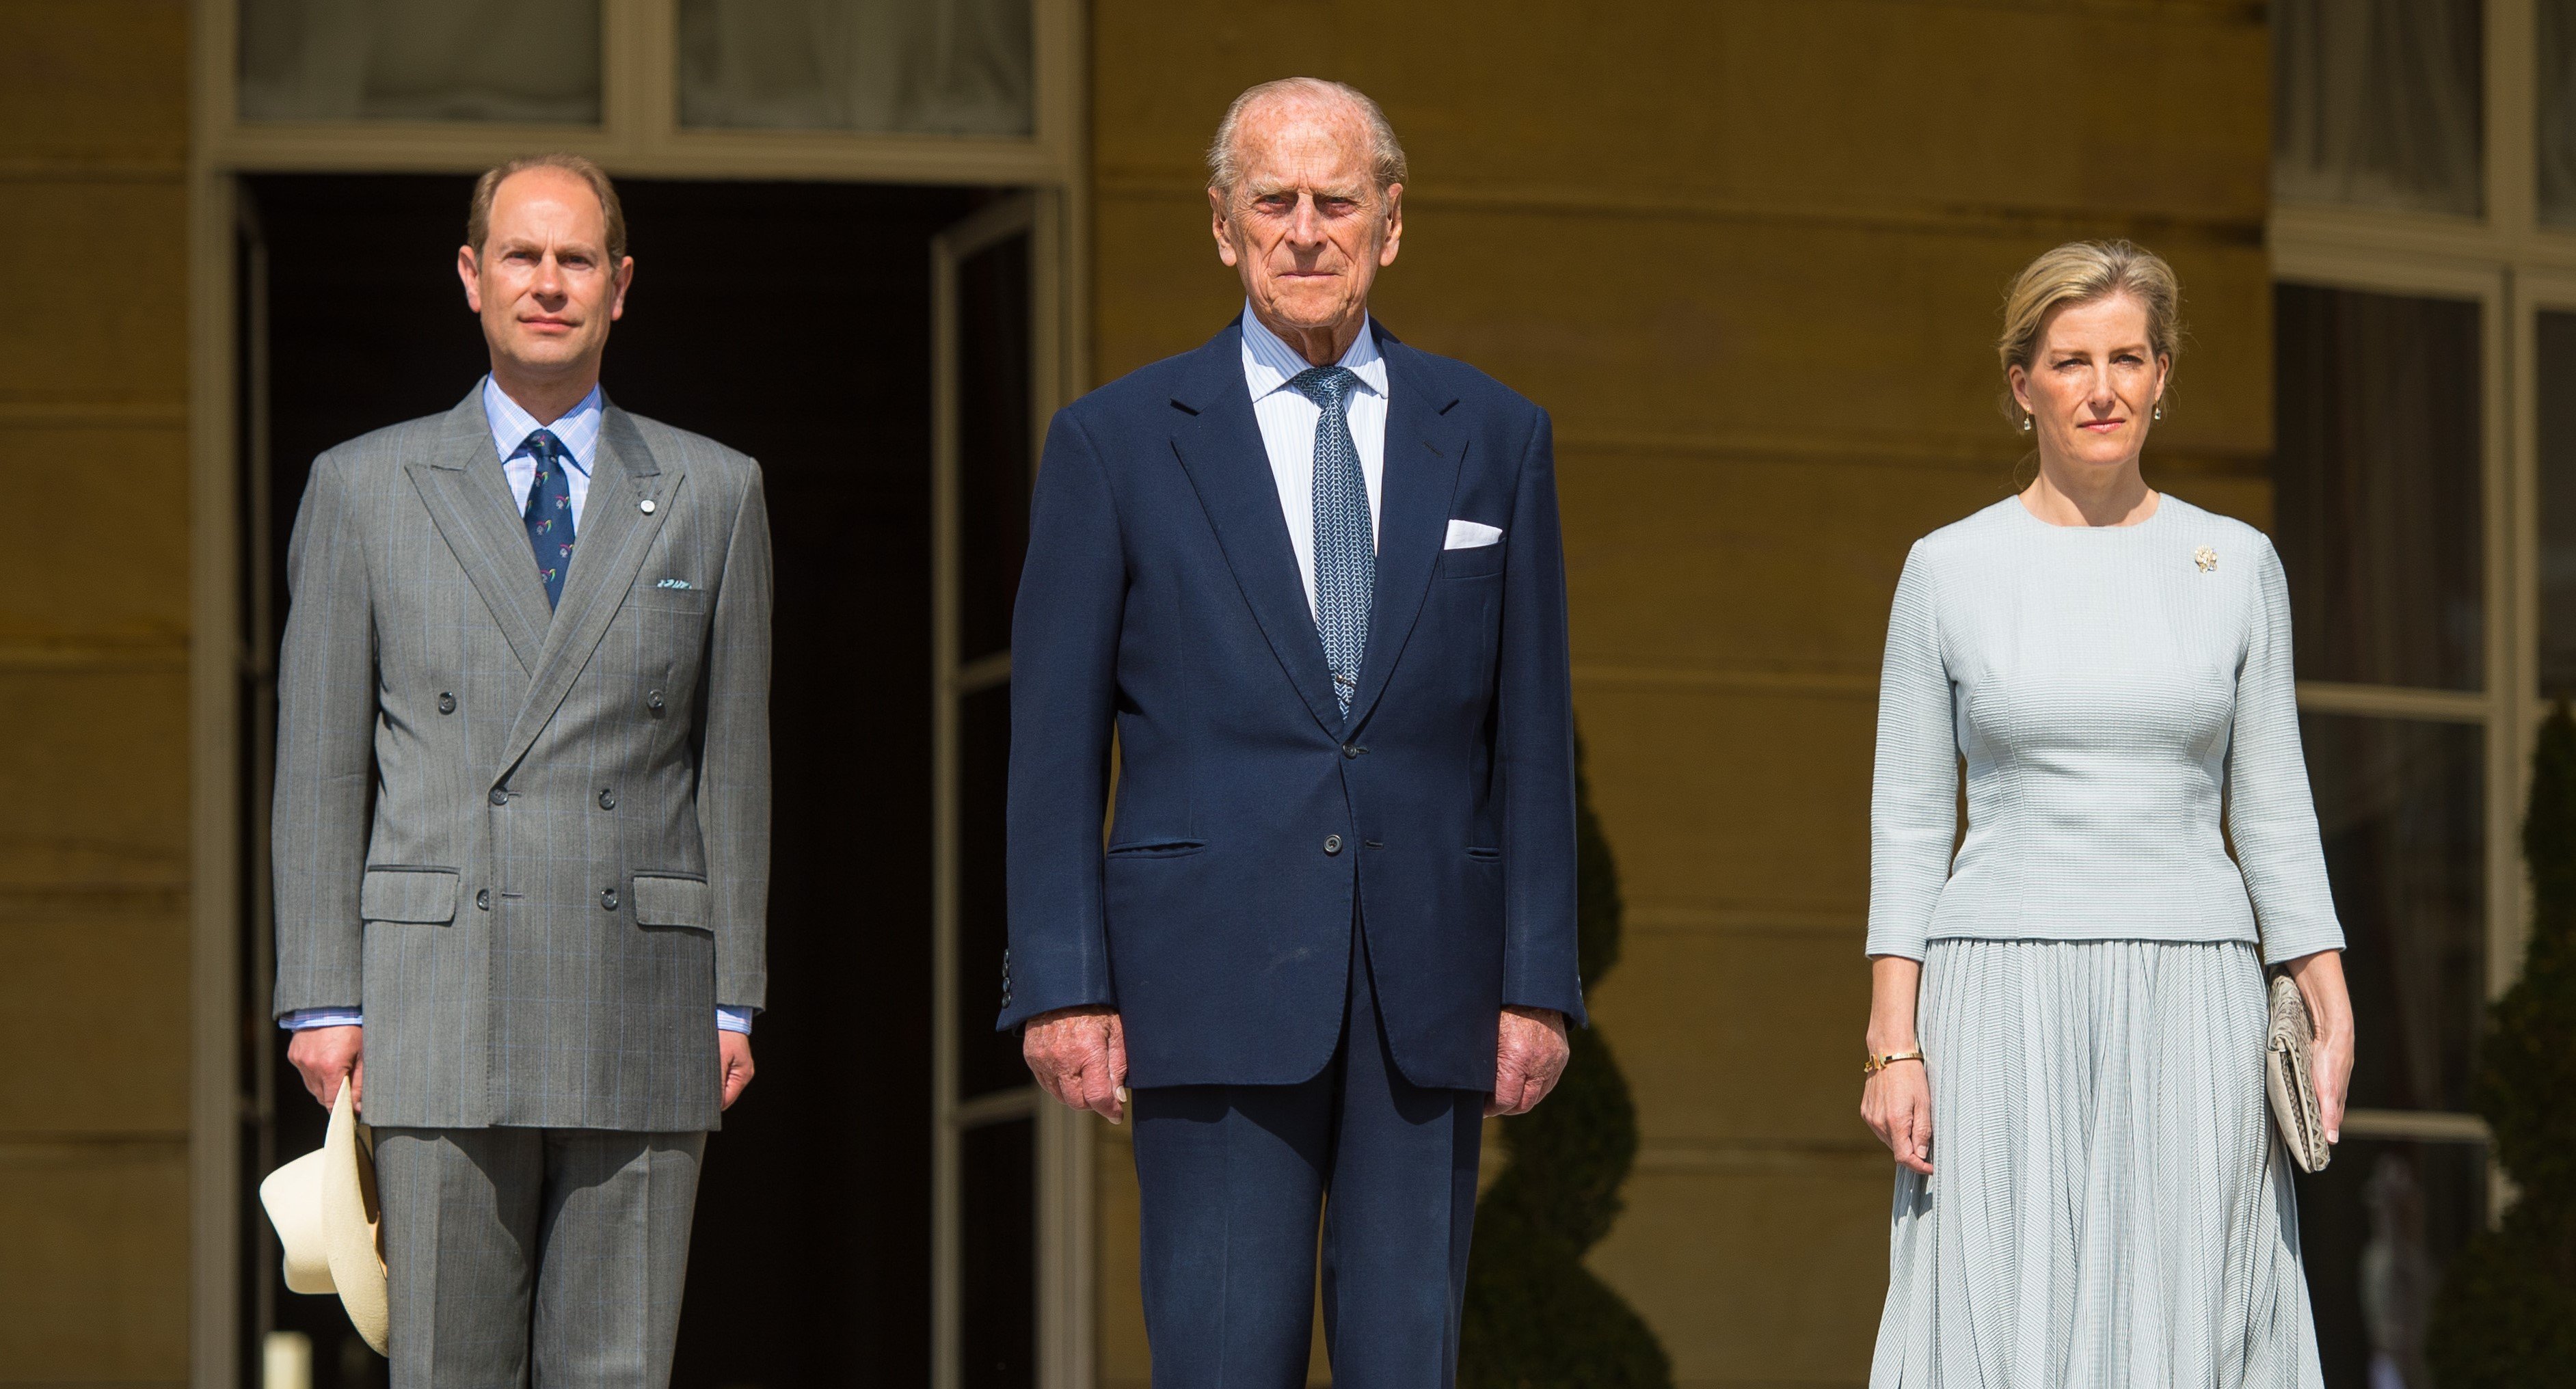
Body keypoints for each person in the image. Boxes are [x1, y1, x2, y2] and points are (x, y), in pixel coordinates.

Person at [1004, 77, 1583, 1385]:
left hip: (1427, 986)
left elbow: (1533, 735)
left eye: (1337, 200)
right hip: (1202, 980)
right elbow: (1051, 744)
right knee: (1220, 1360)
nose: (1306, 230)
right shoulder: (1114, 443)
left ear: (1392, 221)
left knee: (1407, 1362)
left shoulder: (1493, 436)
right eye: (1275, 201)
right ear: (1223, 224)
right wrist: (1064, 981)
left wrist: (1536, 978)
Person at [271, 153, 772, 1388]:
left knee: (619, 1371)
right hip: (438, 992)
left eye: (576, 259)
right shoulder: (362, 486)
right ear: (470, 276)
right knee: (449, 1369)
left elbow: (736, 760)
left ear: (621, 286)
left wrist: (734, 995)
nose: (548, 283)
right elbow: (323, 764)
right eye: (520, 256)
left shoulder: (714, 490)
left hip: (646, 994)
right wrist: (324, 995)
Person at [1860, 239, 2354, 1388]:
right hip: (1997, 997)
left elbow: (2274, 802)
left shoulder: (2237, 565)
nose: (2102, 387)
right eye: (2070, 360)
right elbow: (1908, 817)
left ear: (2164, 373)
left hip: (2194, 997)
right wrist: (1895, 1044)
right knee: (1998, 1320)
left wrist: (2326, 992)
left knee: (2193, 1317)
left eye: (2127, 356)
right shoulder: (1947, 569)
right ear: (2020, 382)